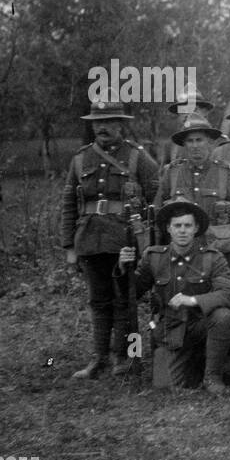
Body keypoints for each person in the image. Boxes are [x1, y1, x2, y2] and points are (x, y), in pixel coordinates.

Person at [61, 99, 160, 378]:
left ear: (121, 124)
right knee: (98, 300)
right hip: (90, 239)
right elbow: (69, 203)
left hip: (125, 240)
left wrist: (151, 245)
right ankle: (99, 358)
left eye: (108, 122)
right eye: (97, 122)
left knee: (124, 299)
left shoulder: (138, 157)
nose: (102, 128)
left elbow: (157, 200)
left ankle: (125, 357)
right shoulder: (80, 159)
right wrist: (69, 246)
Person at [118, 198, 230, 393]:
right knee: (164, 386)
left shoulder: (212, 257)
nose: (182, 230)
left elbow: (228, 294)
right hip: (170, 330)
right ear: (168, 228)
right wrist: (124, 269)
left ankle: (213, 376)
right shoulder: (154, 257)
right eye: (177, 225)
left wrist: (193, 300)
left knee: (223, 316)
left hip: (202, 325)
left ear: (196, 228)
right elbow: (133, 292)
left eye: (188, 225)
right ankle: (195, 365)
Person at [154, 113, 230, 278]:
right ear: (184, 145)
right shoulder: (172, 172)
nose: (195, 145)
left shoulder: (225, 171)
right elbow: (158, 214)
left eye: (199, 140)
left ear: (210, 142)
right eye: (190, 141)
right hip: (181, 253)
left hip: (220, 254)